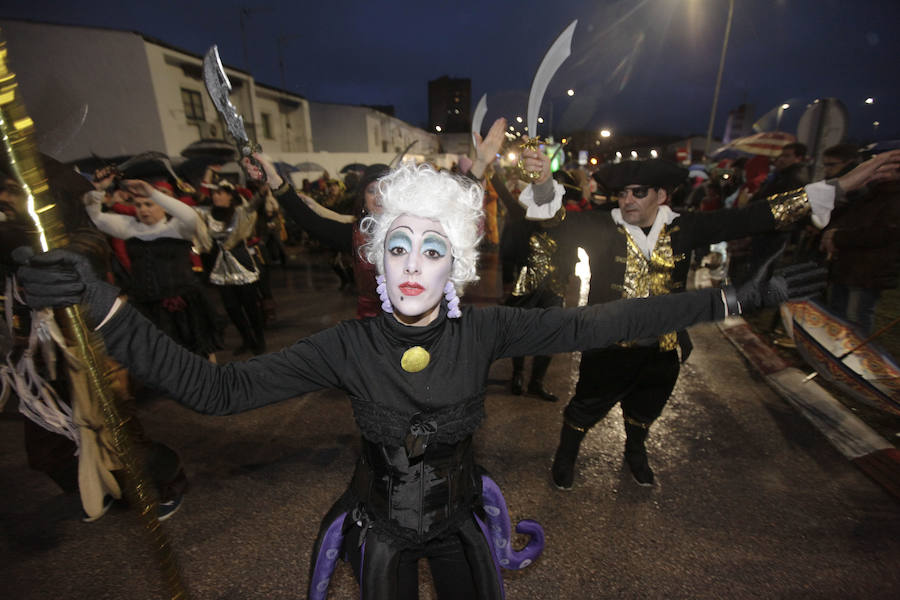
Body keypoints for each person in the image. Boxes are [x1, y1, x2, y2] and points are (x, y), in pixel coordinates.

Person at [15, 160, 789, 600]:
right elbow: (218, 392)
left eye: (432, 250)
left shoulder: (485, 330)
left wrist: (730, 299)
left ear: (455, 266)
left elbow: (605, 322)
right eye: (398, 248)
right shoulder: (346, 346)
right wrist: (104, 307)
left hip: (459, 526)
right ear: (377, 263)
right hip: (379, 530)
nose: (413, 264)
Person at [515, 147, 900, 489]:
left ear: (661, 195)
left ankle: (635, 452)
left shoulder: (685, 228)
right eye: (623, 193)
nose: (628, 200)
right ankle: (566, 455)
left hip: (663, 347)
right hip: (608, 345)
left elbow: (754, 217)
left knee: (646, 406)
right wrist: (544, 182)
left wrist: (842, 185)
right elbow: (555, 222)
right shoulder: (602, 225)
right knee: (586, 405)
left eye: (638, 192)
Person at [82, 178, 221, 358]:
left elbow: (190, 216)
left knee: (194, 353)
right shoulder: (130, 227)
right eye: (138, 205)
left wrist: (153, 193)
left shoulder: (176, 228)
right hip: (147, 306)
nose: (143, 210)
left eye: (149, 205)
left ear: (163, 207)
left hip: (182, 304)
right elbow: (95, 217)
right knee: (161, 357)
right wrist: (99, 190)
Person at [196, 176, 267, 355]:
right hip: (221, 266)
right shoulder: (206, 214)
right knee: (232, 308)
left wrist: (261, 192)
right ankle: (247, 339)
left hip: (241, 262)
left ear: (230, 196)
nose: (216, 196)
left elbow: (252, 206)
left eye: (220, 193)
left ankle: (260, 340)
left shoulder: (239, 212)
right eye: (214, 193)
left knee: (250, 305)